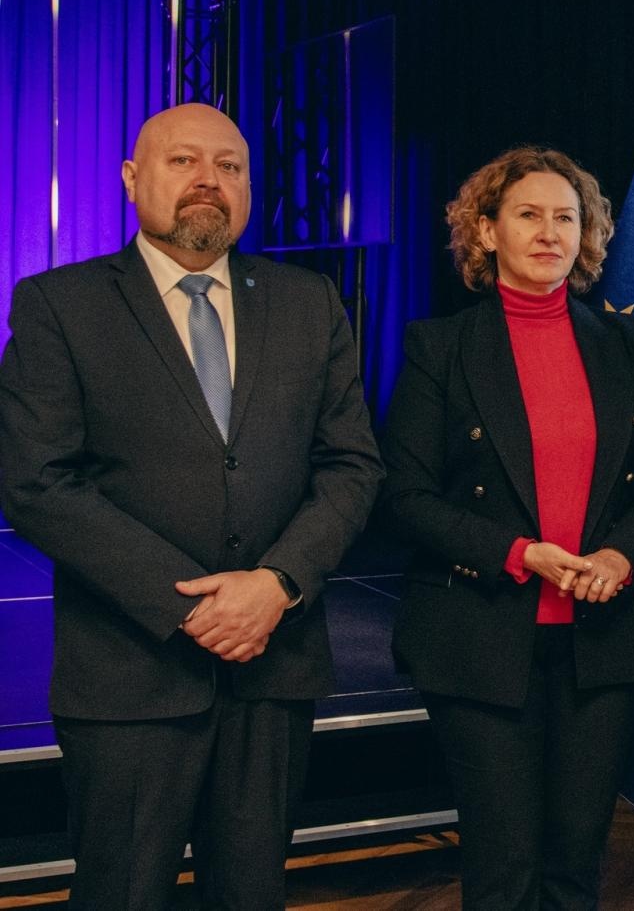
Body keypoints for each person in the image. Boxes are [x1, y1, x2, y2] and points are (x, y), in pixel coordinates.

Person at [0, 102, 383, 909]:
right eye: (183, 162)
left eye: (231, 166)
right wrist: (194, 606)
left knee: (250, 896)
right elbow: (36, 480)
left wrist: (274, 585)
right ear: (133, 180)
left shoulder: (310, 302)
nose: (209, 180)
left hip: (273, 664)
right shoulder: (59, 306)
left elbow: (351, 466)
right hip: (132, 671)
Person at [384, 145, 634, 910]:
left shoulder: (627, 347)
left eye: (566, 218)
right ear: (485, 232)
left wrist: (622, 556)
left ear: (587, 237)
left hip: (601, 646)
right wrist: (517, 553)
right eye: (528, 215)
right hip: (480, 640)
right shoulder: (439, 349)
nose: (550, 232)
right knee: (504, 870)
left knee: (576, 865)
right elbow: (403, 497)